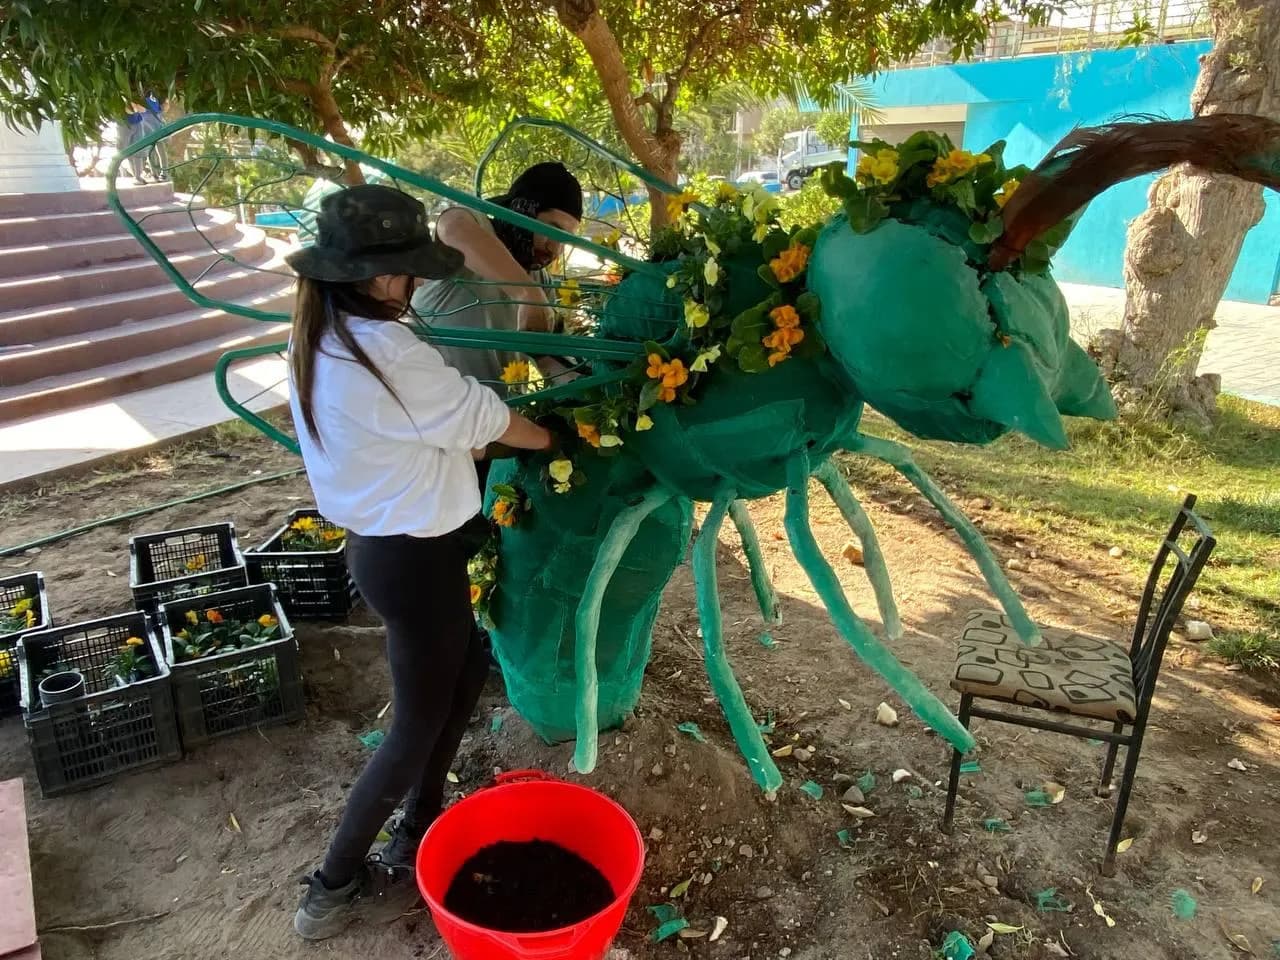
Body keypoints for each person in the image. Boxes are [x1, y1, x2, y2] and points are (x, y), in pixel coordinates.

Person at [283, 183, 555, 941]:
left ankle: (418, 825)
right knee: (413, 724)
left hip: (389, 550)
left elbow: (439, 429)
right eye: (407, 270)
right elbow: (483, 420)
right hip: (413, 557)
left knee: (466, 667)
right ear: (377, 275)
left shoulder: (324, 334)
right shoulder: (387, 351)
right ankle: (331, 888)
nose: (415, 284)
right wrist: (559, 439)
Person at [411, 161, 585, 400]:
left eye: (564, 238)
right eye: (552, 229)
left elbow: (548, 361)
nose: (555, 247)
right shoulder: (477, 228)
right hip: (434, 413)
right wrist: (526, 293)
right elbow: (453, 227)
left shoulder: (542, 282)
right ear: (525, 210)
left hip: (498, 423)